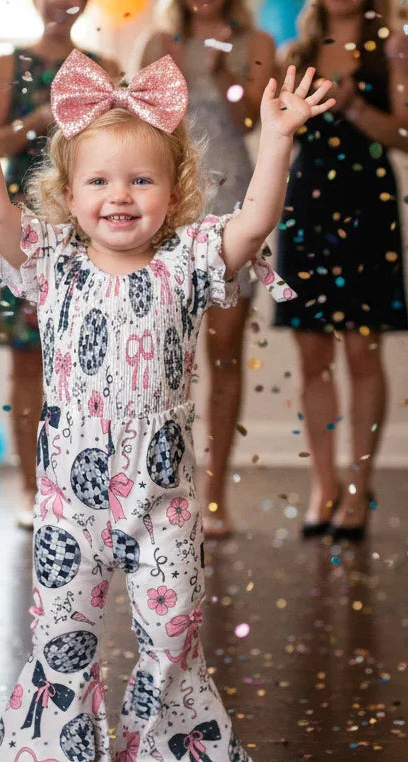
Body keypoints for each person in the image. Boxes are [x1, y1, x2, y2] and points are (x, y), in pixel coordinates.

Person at [0, 46, 333, 762]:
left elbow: (253, 225)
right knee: (63, 632)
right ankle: (49, 759)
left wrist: (277, 136)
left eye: (141, 180)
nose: (120, 196)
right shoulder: (50, 259)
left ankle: (170, 752)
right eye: (100, 181)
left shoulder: (186, 260)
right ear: (67, 193)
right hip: (67, 503)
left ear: (176, 190)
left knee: (174, 626)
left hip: (162, 498)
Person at [0, 0, 118, 529]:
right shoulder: (11, 64)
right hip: (22, 224)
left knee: (90, 365)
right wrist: (36, 121)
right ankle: (30, 489)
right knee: (26, 361)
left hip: (82, 224)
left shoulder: (101, 67)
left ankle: (85, 484)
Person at [273, 0, 408, 541]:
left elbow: (402, 134)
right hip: (307, 205)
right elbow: (281, 134)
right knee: (311, 353)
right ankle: (322, 483)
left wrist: (352, 106)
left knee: (362, 349)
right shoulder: (297, 53)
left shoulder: (391, 49)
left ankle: (359, 483)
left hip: (367, 204)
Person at [142, 0, 275, 537]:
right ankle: (159, 496)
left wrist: (225, 78)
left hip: (233, 203)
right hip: (173, 203)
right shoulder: (159, 44)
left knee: (223, 355)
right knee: (162, 356)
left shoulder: (257, 45)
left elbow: (252, 123)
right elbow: (144, 129)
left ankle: (214, 497)